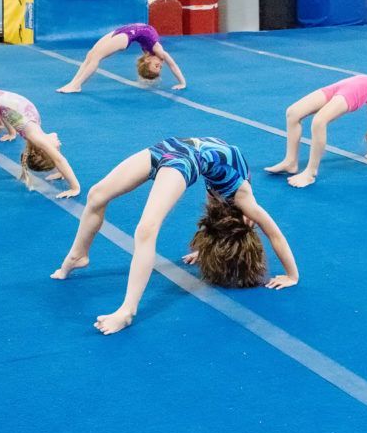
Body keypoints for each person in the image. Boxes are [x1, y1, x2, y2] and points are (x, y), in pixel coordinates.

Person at [52, 137, 299, 335]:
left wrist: (204, 249)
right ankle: (79, 254)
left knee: (146, 228)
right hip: (173, 150)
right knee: (96, 194)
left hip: (182, 155)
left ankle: (127, 310)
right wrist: (291, 274)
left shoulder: (238, 200)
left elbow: (220, 224)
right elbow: (275, 234)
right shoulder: (244, 201)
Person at [56, 24, 186, 93]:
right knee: (90, 54)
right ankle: (73, 83)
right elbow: (173, 65)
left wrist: (181, 83)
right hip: (123, 31)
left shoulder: (155, 52)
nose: (161, 64)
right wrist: (182, 82)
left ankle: (77, 85)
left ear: (147, 61)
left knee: (97, 57)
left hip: (126, 37)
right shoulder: (159, 52)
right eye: (159, 67)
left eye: (157, 66)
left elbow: (172, 65)